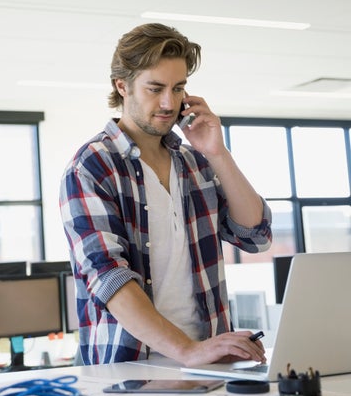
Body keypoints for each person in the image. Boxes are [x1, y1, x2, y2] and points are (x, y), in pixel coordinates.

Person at [59, 23, 272, 367]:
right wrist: (188, 350)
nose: (168, 103)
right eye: (155, 88)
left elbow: (255, 236)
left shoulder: (193, 163)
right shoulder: (92, 166)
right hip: (129, 366)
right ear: (122, 86)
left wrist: (217, 153)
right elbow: (108, 276)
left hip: (210, 362)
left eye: (178, 88)